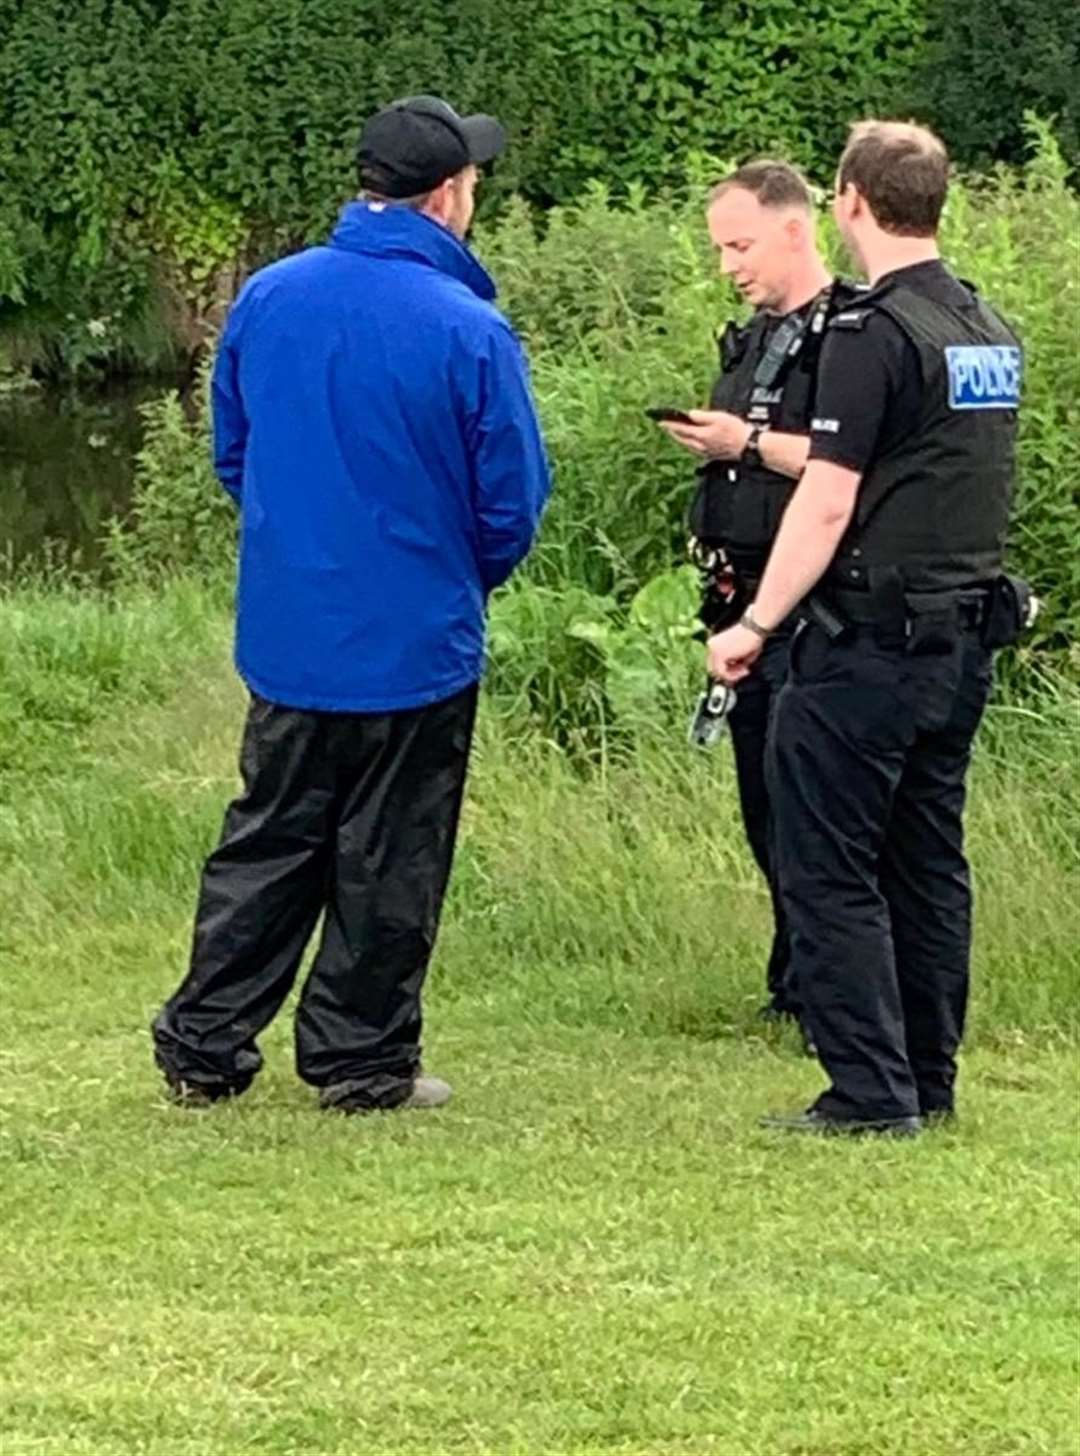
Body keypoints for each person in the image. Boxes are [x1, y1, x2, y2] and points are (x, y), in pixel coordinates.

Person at [151, 95, 551, 1114]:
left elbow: (234, 454)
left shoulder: (269, 297)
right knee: (393, 850)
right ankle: (360, 1056)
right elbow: (512, 499)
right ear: (450, 194)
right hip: (416, 635)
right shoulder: (469, 328)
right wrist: (459, 575)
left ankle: (204, 1042)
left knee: (270, 834)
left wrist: (301, 545)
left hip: (294, 627)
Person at [706, 121, 1025, 1137]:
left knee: (828, 861)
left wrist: (756, 619)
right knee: (927, 859)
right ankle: (928, 1076)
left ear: (847, 201)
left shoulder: (869, 331)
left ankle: (867, 1090)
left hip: (869, 641)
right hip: (961, 634)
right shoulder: (983, 327)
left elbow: (830, 499)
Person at [656, 161, 859, 1031]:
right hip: (737, 599)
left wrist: (746, 443)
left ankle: (836, 993)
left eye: (740, 244)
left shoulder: (853, 336)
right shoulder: (751, 338)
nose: (729, 265)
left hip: (812, 605)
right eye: (719, 249)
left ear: (794, 227)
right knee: (763, 803)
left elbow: (844, 464)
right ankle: (794, 978)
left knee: (815, 810)